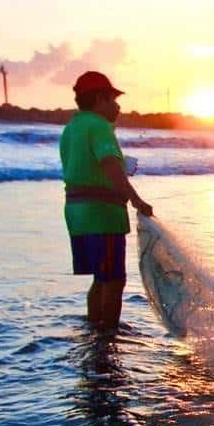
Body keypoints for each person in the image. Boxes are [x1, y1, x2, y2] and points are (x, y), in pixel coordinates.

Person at [59, 71, 152, 332]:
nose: (118, 106)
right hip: (102, 216)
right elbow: (110, 166)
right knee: (113, 279)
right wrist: (136, 200)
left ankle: (94, 328)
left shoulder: (71, 127)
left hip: (77, 216)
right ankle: (107, 336)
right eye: (113, 99)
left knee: (101, 279)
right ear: (100, 99)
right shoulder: (100, 127)